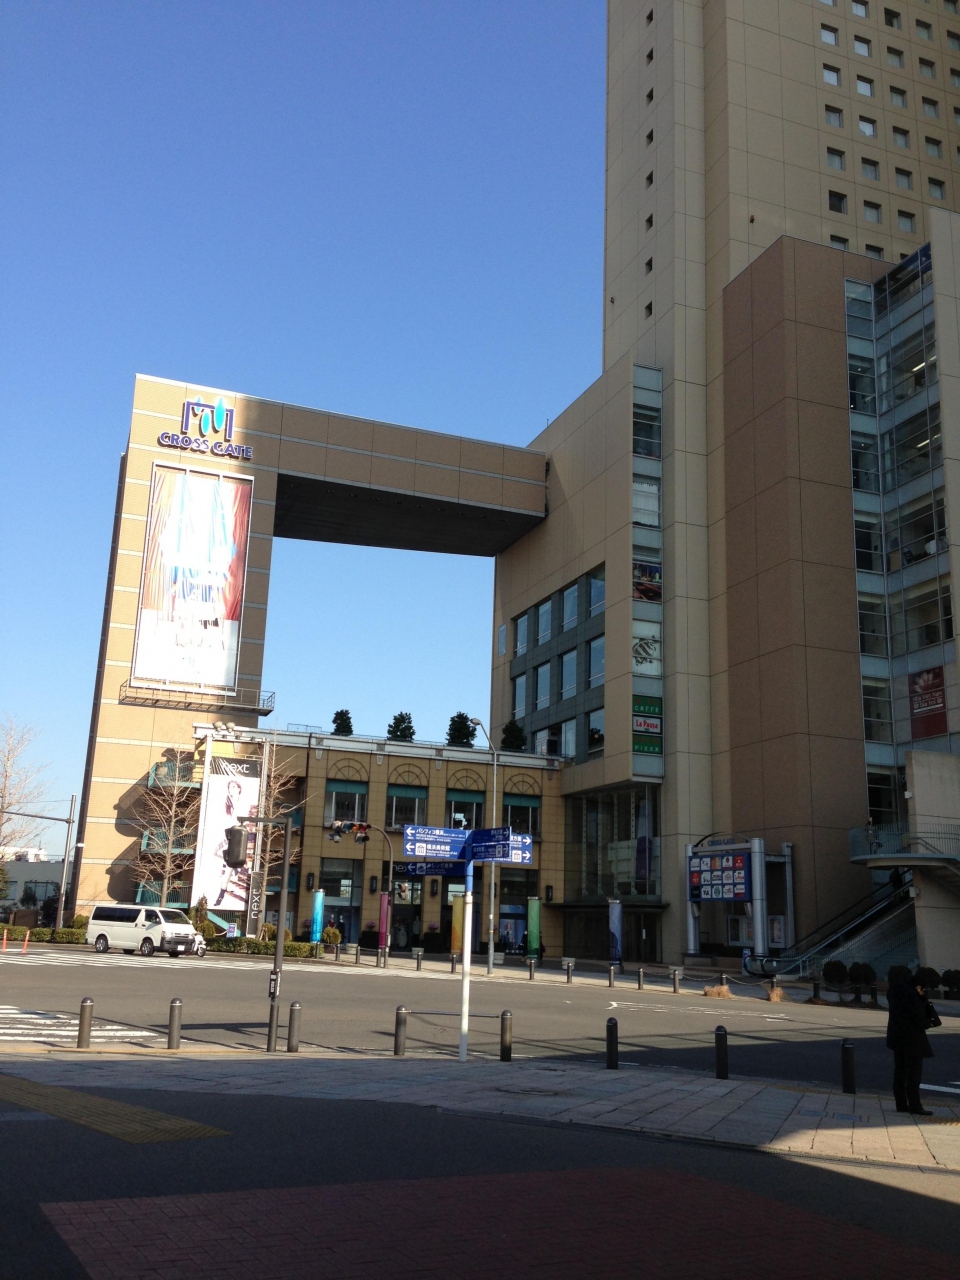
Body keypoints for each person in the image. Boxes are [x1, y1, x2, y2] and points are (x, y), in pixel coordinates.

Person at [886, 969, 939, 1115]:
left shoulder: (895, 994)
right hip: (913, 1040)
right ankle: (915, 1105)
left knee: (900, 1072)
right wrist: (924, 1001)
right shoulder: (913, 998)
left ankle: (901, 1104)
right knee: (913, 1075)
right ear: (918, 987)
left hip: (897, 1038)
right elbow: (922, 1021)